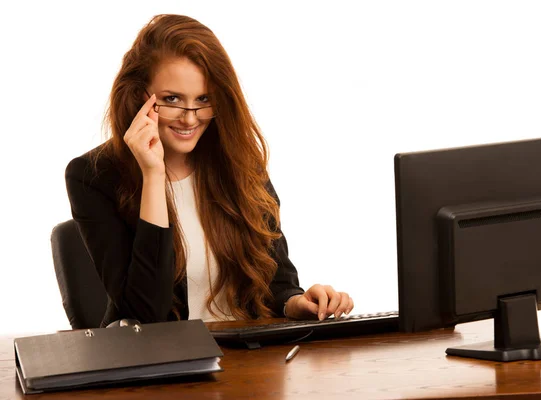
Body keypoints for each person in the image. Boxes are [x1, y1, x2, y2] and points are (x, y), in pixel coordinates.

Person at [65, 14, 353, 327]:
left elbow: (278, 283)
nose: (190, 119)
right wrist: (153, 174)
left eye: (204, 100)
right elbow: (147, 314)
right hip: (163, 365)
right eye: (172, 99)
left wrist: (298, 303)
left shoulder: (239, 162)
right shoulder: (92, 176)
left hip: (249, 358)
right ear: (138, 96)